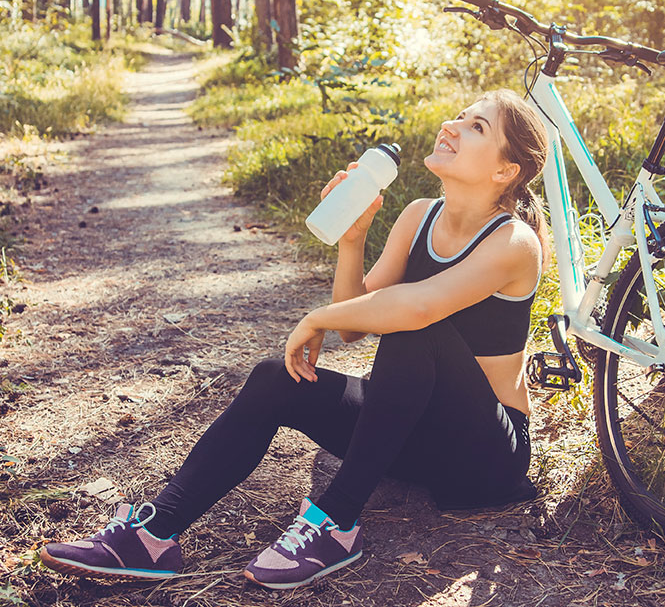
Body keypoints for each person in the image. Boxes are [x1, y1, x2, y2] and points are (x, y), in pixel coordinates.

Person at [40, 88, 549, 589]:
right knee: (272, 378)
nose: (452, 125)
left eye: (476, 126)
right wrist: (352, 239)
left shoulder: (513, 242)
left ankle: (337, 522)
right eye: (459, 115)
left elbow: (412, 309)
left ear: (506, 171)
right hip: (413, 439)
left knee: (416, 329)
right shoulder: (418, 215)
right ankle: (152, 535)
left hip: (484, 455)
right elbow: (355, 325)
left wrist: (316, 318)